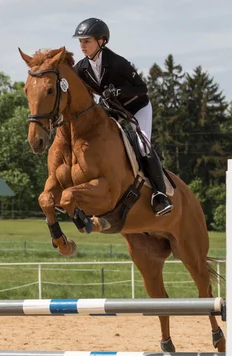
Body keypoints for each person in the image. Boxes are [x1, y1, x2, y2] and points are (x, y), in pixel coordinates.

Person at [72, 17, 172, 217]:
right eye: (81, 41)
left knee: (143, 145)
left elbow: (142, 89)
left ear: (101, 41)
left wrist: (118, 92)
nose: (82, 45)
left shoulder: (117, 63)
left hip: (137, 107)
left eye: (87, 41)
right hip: (113, 110)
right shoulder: (81, 68)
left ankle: (160, 194)